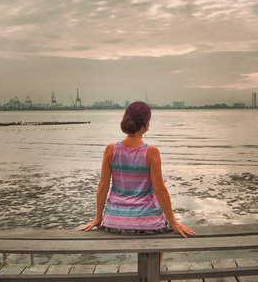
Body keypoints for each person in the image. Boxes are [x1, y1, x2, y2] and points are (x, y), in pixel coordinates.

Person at [80, 101, 195, 239]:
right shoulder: (151, 152)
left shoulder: (111, 150)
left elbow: (102, 186)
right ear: (145, 125)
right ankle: (156, 262)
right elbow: (160, 189)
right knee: (160, 238)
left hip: (115, 222)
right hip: (147, 222)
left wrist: (98, 217)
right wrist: (173, 222)